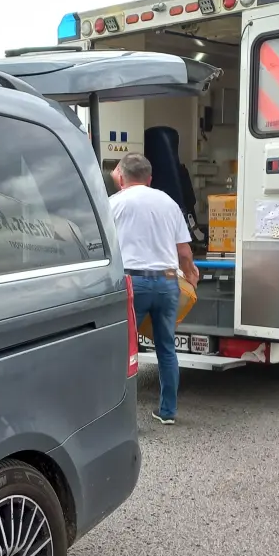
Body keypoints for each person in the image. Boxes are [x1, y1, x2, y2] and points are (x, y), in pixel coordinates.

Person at [109, 152, 199, 425]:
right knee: (166, 348)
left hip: (132, 283)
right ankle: (168, 411)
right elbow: (184, 252)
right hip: (167, 282)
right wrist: (190, 275)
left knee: (126, 350)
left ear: (121, 177)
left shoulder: (113, 203)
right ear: (149, 178)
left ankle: (126, 419)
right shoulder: (168, 202)